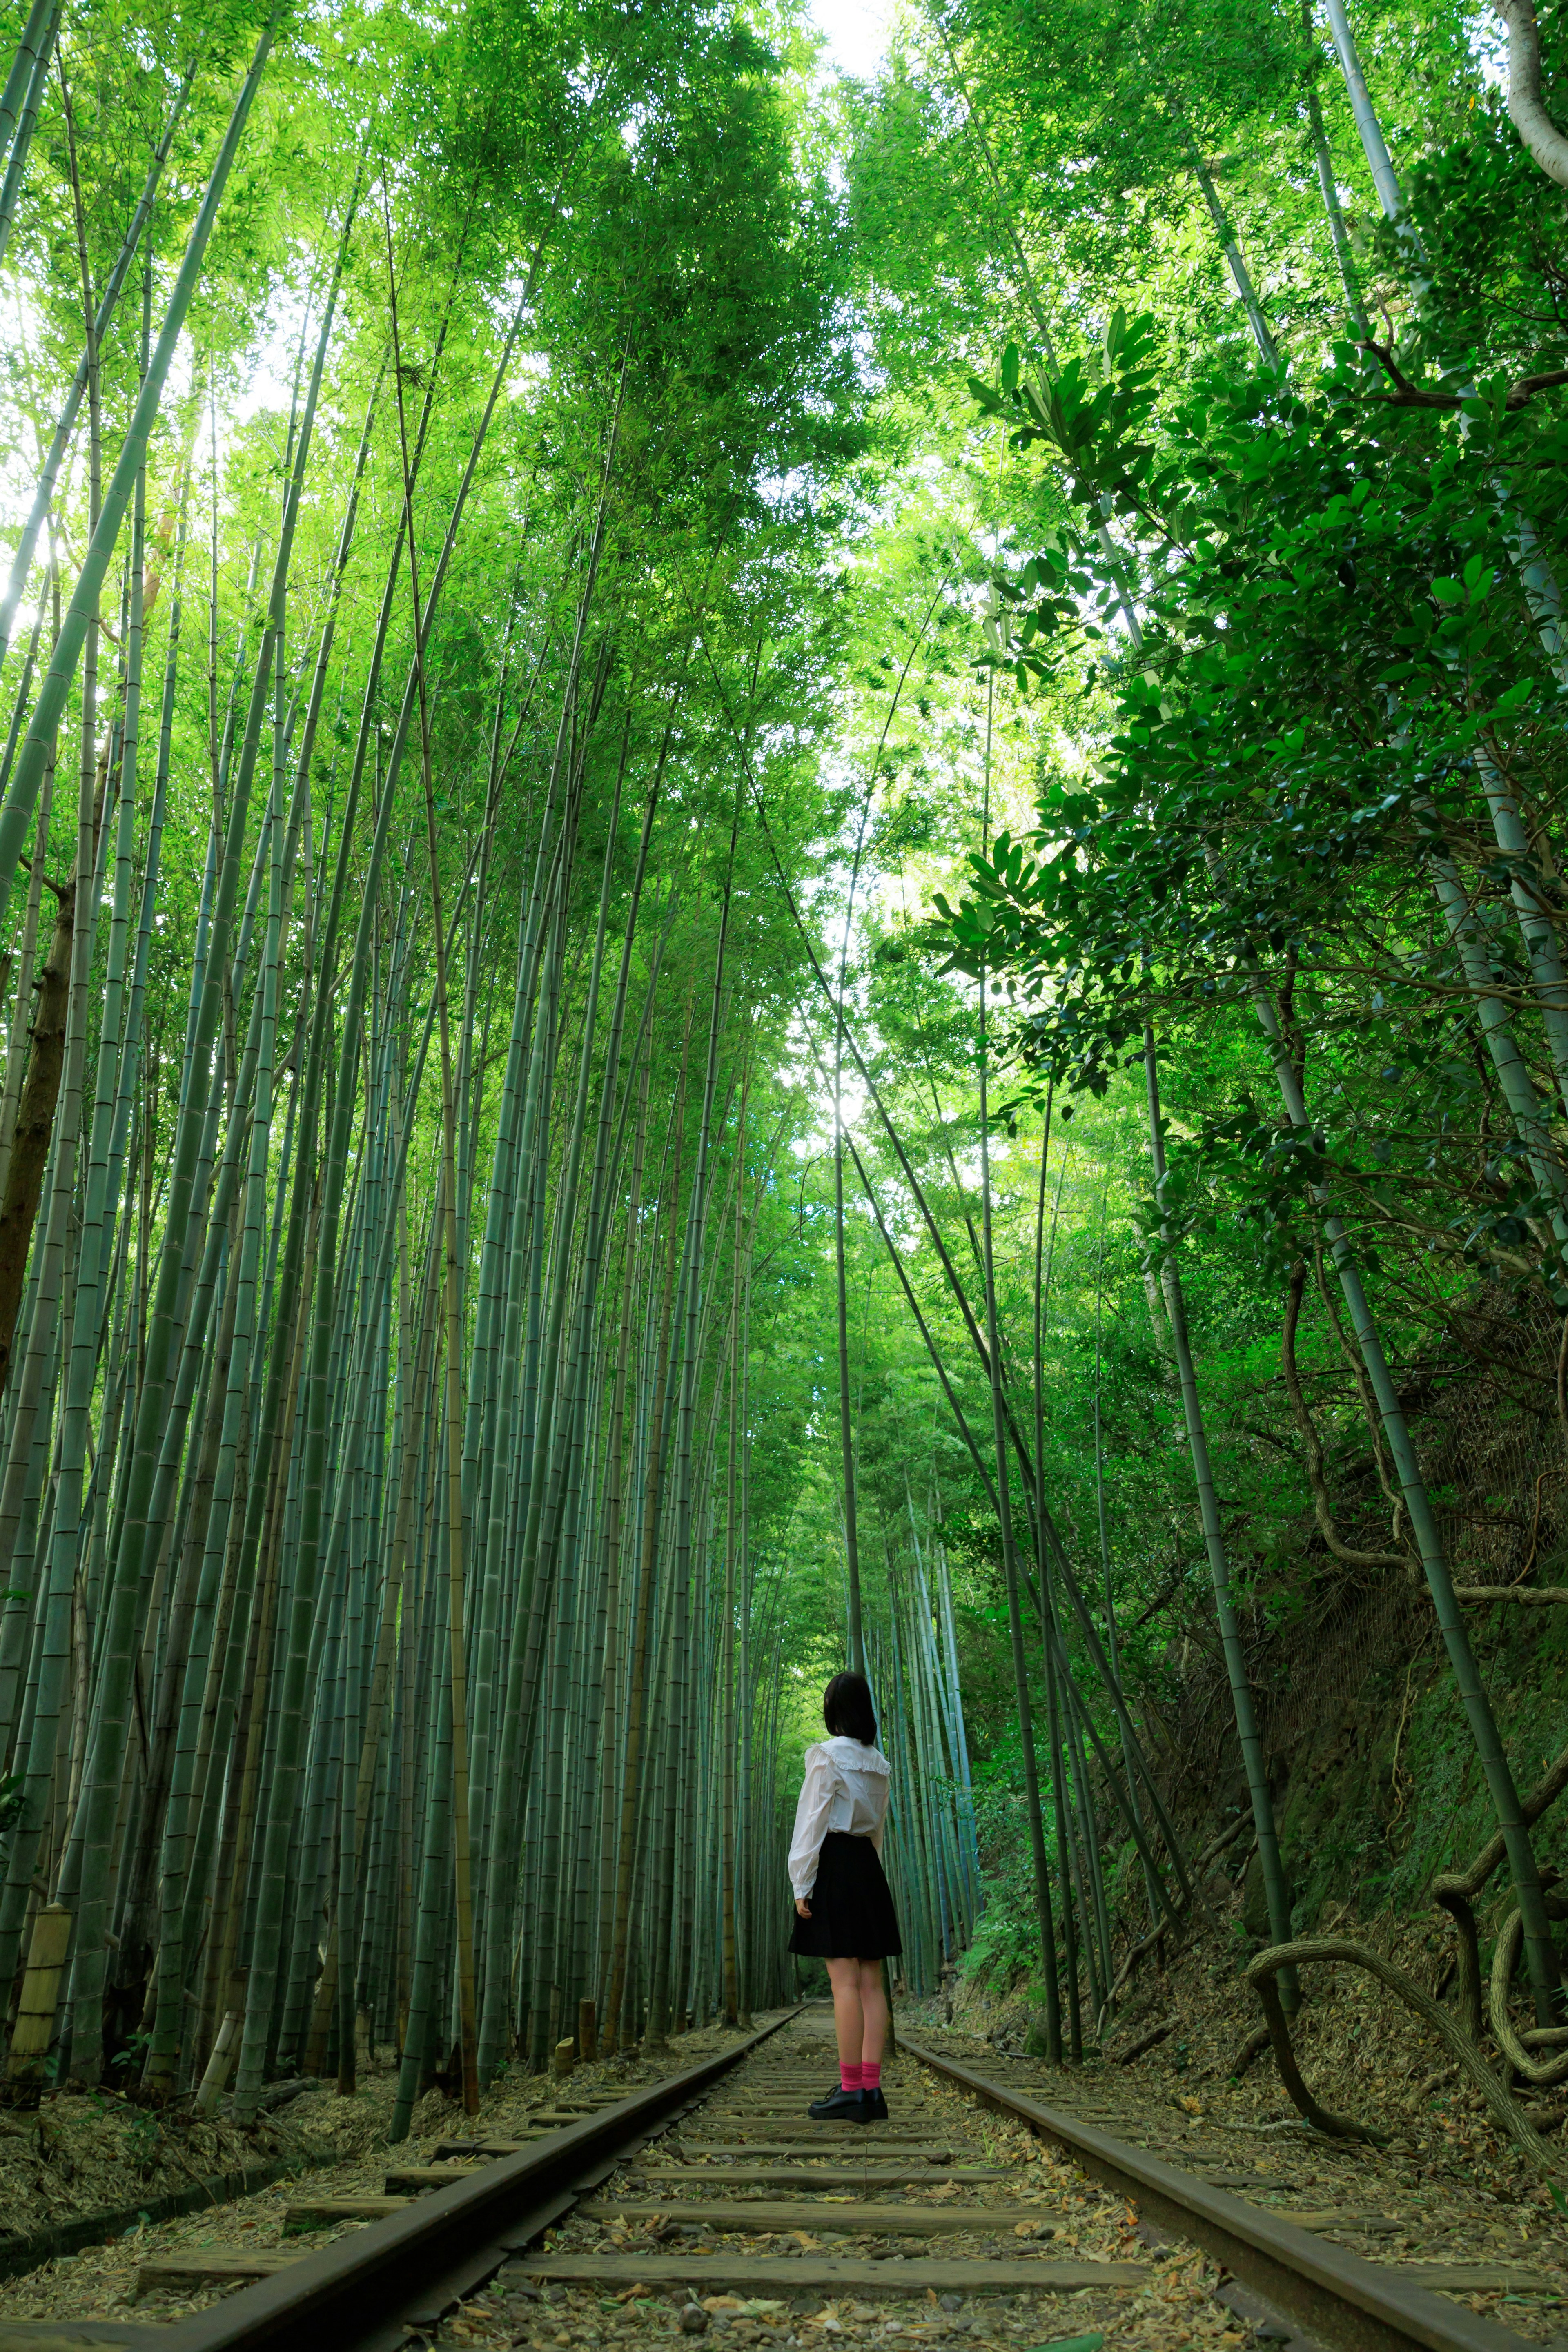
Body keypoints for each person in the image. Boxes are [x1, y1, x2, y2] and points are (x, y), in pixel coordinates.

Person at [787, 1669, 903, 2122]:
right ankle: (871, 2091)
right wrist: (870, 1876)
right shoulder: (879, 1762)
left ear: (835, 1710)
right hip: (867, 1869)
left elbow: (811, 1821)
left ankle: (851, 2089)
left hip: (833, 1865)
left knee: (845, 1984)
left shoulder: (827, 1756)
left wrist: (802, 1882)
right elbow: (877, 1828)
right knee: (872, 1983)